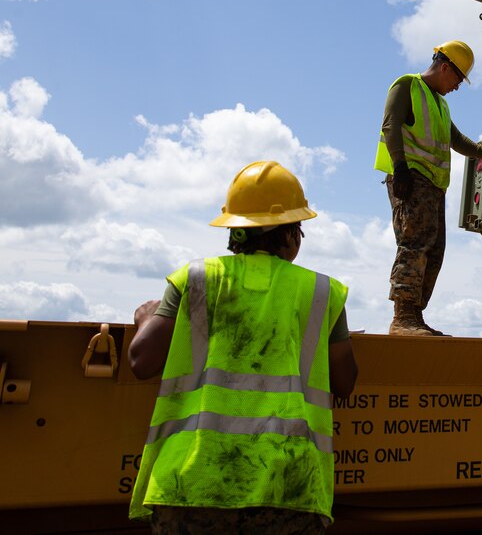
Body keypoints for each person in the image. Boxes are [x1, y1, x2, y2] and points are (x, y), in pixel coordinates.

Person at [127, 160, 358, 533]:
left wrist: (147, 318)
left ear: (235, 231)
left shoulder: (195, 279)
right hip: (287, 488)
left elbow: (141, 361)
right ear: (288, 236)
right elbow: (345, 382)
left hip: (189, 486)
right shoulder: (321, 292)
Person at [374, 40, 482, 336]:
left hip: (433, 186)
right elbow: (390, 126)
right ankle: (402, 317)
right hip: (411, 178)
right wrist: (400, 168)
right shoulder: (406, 86)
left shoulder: (440, 103)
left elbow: (458, 140)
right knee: (415, 242)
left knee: (435, 249)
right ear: (444, 68)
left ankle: (414, 316)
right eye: (457, 79)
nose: (457, 87)